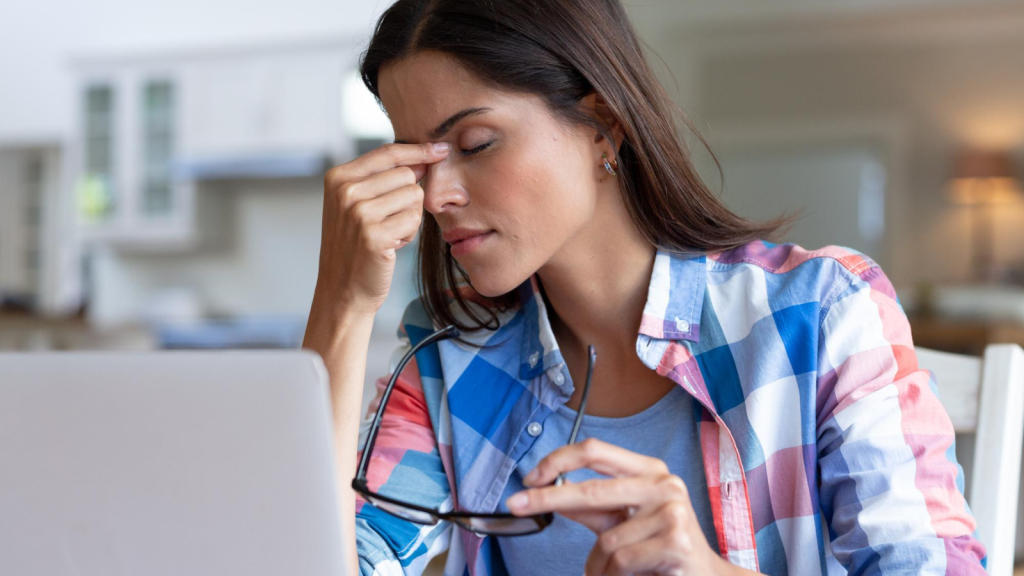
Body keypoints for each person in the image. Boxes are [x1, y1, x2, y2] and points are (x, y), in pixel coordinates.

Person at [302, 0, 988, 574]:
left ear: (604, 125)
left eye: (477, 143)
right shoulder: (452, 354)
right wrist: (340, 304)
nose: (436, 197)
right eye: (416, 161)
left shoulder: (825, 313)